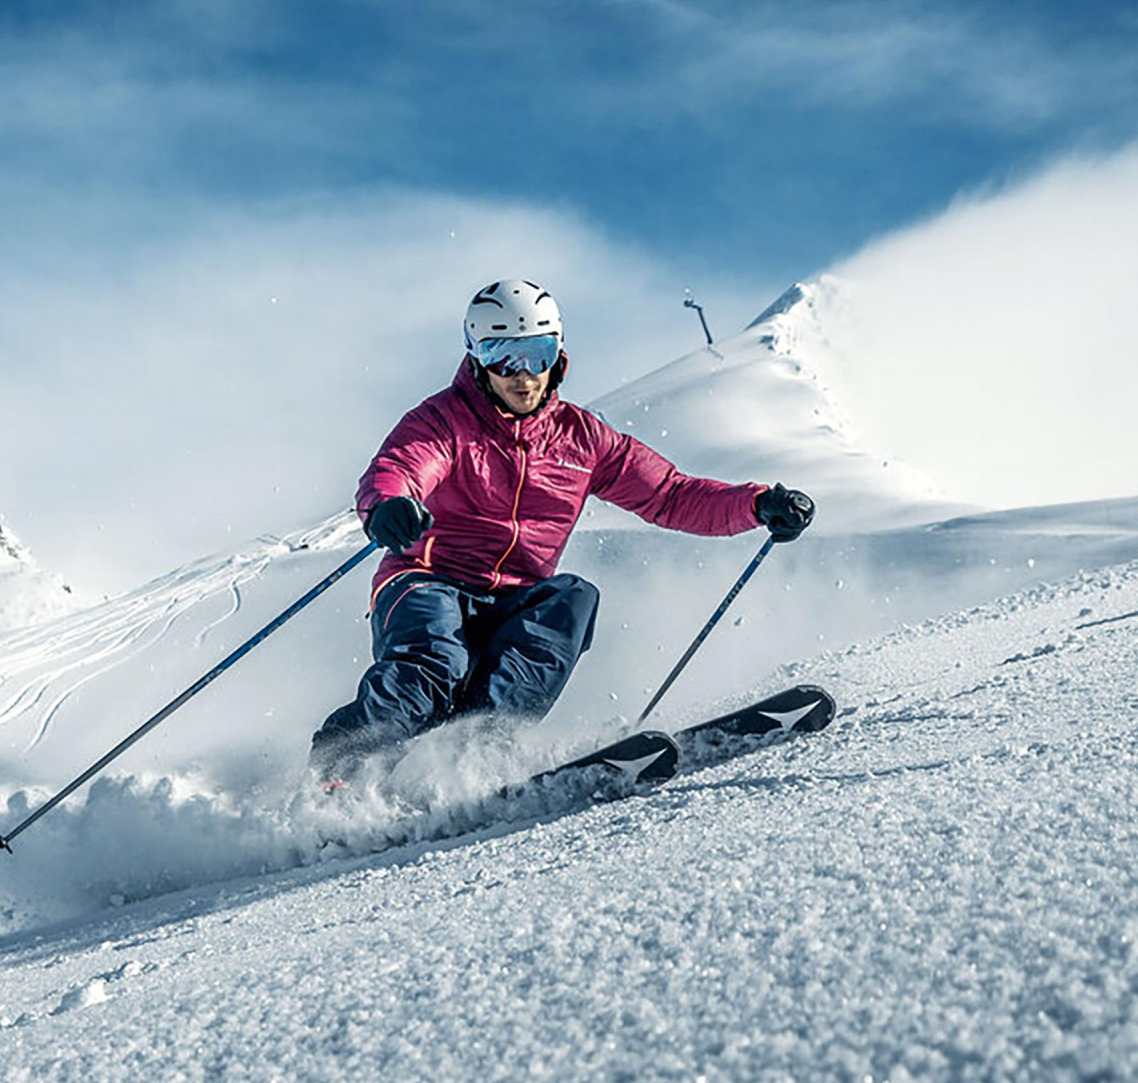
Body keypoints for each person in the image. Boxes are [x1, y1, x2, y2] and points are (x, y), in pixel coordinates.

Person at [311, 278, 814, 777]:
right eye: (503, 356)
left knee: (571, 599)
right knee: (432, 667)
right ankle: (336, 772)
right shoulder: (444, 421)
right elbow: (400, 467)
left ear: (559, 356)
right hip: (428, 580)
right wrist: (390, 505)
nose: (523, 375)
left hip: (517, 599)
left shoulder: (583, 440)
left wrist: (755, 504)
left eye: (538, 354)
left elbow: (670, 494)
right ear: (477, 358)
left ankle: (474, 759)